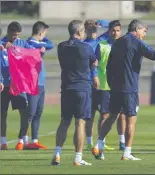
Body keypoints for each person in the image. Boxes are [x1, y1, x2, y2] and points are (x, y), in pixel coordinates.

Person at [92, 19, 155, 160]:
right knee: (131, 120)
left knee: (112, 116)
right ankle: (127, 153)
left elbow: (109, 65)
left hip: (115, 87)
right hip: (130, 88)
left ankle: (98, 144)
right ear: (137, 29)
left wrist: (111, 83)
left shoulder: (117, 42)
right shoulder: (136, 42)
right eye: (144, 31)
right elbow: (154, 55)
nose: (144, 35)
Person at [51, 20, 97, 166]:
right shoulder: (86, 47)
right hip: (82, 87)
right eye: (83, 31)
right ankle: (78, 158)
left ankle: (57, 154)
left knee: (64, 121)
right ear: (79, 32)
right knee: (80, 123)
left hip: (66, 88)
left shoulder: (61, 46)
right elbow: (93, 62)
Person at [83, 19, 125, 151]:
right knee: (92, 114)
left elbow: (113, 25)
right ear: (85, 31)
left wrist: (100, 22)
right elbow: (93, 63)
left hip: (113, 84)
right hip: (97, 83)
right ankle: (91, 142)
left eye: (94, 29)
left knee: (114, 114)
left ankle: (110, 141)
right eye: (90, 30)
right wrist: (94, 76)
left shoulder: (102, 40)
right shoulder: (86, 44)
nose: (93, 32)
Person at [15, 21, 54, 150]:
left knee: (38, 112)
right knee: (30, 113)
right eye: (45, 32)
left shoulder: (37, 44)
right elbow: (51, 45)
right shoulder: (31, 44)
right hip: (33, 83)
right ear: (41, 32)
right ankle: (21, 140)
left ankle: (34, 140)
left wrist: (42, 43)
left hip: (41, 82)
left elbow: (48, 45)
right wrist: (43, 42)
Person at [0, 21, 33, 150]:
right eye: (13, 35)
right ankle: (3, 141)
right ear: (8, 32)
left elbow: (31, 56)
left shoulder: (22, 44)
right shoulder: (1, 45)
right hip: (4, 86)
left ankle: (21, 140)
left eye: (17, 35)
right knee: (2, 114)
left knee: (25, 112)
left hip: (18, 85)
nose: (15, 37)